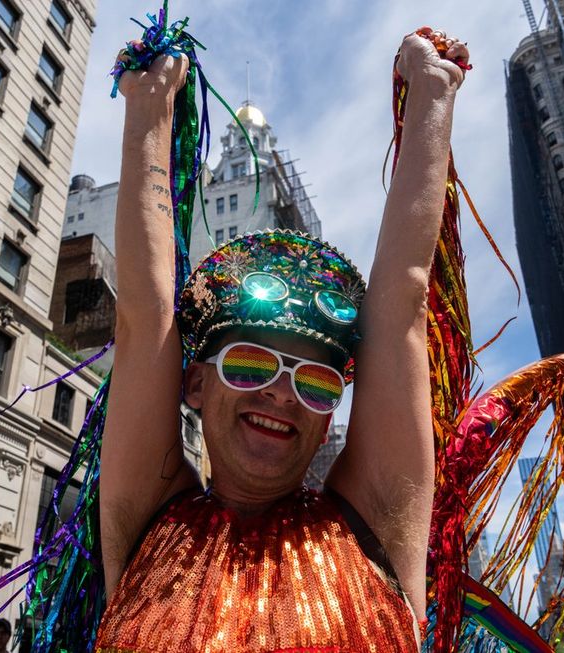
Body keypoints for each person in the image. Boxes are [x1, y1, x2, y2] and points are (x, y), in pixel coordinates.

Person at [92, 25, 469, 652]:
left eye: (317, 382)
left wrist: (431, 94)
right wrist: (147, 111)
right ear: (193, 381)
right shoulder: (148, 520)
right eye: (248, 366)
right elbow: (143, 316)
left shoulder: (373, 528)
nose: (281, 395)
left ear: (329, 421)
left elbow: (403, 298)